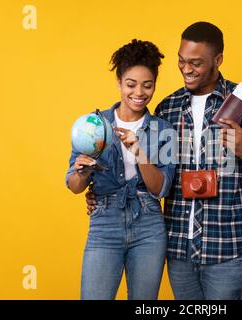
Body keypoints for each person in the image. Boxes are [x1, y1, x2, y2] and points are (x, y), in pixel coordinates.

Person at [86, 22, 242, 300]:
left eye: (196, 63)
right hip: (178, 244)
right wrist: (100, 191)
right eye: (181, 61)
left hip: (225, 244)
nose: (186, 69)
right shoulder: (167, 107)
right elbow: (146, 172)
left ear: (218, 60)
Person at [65, 39, 176, 300]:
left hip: (148, 225)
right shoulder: (94, 125)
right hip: (105, 222)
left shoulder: (164, 130)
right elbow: (73, 185)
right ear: (118, 83)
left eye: (147, 85)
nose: (139, 92)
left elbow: (161, 189)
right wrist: (81, 173)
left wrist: (139, 151)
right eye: (131, 84)